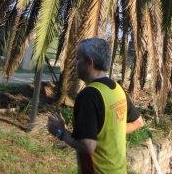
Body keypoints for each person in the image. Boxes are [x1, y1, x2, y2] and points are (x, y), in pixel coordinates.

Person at [47, 37, 144, 173]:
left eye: (77, 58)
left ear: (89, 62)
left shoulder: (89, 96)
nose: (74, 63)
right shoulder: (117, 88)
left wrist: (60, 132)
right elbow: (138, 122)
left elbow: (88, 146)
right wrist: (108, 135)